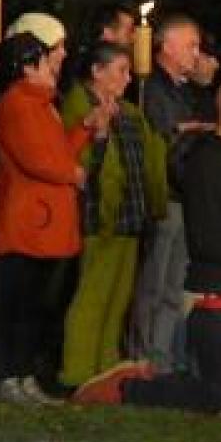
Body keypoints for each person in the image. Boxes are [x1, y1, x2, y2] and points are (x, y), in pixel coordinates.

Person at [73, 75, 221, 411]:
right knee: (217, 399)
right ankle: (129, 387)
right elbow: (208, 242)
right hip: (216, 296)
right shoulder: (207, 161)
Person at [0, 32, 113, 403]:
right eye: (45, 59)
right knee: (16, 303)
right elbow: (37, 158)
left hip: (41, 220)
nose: (53, 67)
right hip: (25, 221)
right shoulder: (19, 103)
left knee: (32, 305)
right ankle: (9, 376)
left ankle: (23, 375)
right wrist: (74, 174)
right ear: (28, 67)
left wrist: (85, 127)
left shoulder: (41, 105)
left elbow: (55, 151)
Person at [58, 42, 167, 389]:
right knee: (93, 296)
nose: (128, 78)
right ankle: (78, 372)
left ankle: (105, 371)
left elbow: (149, 160)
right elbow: (86, 161)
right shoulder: (79, 107)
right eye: (121, 70)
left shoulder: (131, 112)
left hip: (128, 218)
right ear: (97, 71)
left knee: (118, 299)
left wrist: (153, 204)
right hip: (99, 218)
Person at [132, 13, 208, 372]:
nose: (197, 53)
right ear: (167, 46)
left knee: (174, 286)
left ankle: (161, 358)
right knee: (154, 282)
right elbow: (156, 140)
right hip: (165, 195)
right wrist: (182, 131)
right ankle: (143, 357)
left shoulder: (182, 91)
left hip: (182, 194)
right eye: (191, 45)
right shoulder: (151, 89)